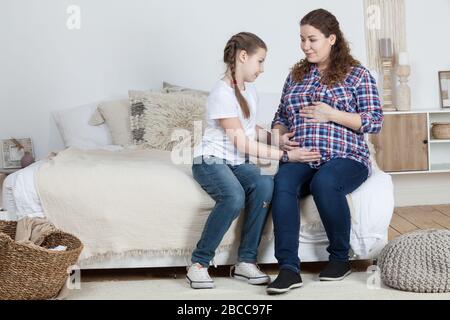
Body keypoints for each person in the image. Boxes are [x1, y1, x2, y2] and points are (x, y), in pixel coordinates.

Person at [187, 32, 321, 289]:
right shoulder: (221, 93)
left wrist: (277, 139)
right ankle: (199, 263)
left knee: (265, 186)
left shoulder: (250, 90)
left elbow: (250, 131)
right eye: (260, 61)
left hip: (236, 161)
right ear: (243, 57)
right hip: (211, 160)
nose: (262, 68)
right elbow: (242, 143)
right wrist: (285, 155)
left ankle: (245, 261)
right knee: (234, 196)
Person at [266, 9, 384, 295]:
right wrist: (281, 137)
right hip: (303, 155)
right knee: (282, 182)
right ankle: (289, 269)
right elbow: (279, 116)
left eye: (312, 39)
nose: (306, 46)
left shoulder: (356, 74)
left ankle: (340, 259)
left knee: (325, 182)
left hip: (346, 157)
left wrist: (332, 114)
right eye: (302, 40)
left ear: (332, 38)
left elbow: (374, 120)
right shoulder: (296, 76)